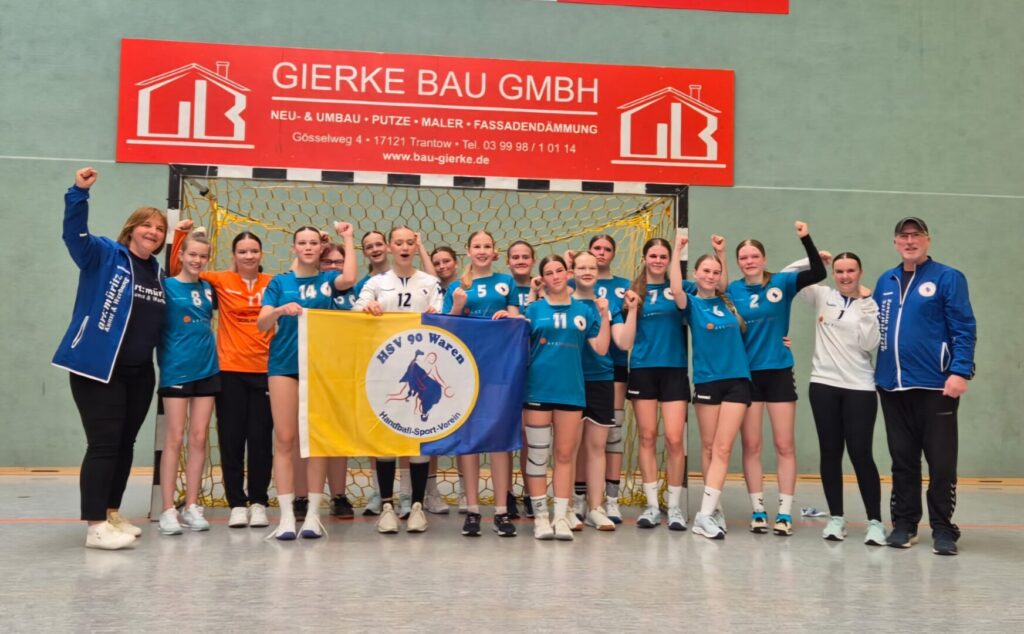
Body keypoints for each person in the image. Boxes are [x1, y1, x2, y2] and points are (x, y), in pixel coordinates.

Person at [53, 167, 167, 550]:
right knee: (103, 444)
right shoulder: (103, 254)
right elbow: (74, 234)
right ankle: (95, 526)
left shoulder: (157, 273)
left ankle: (111, 512)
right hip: (98, 368)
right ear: (131, 228)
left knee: (125, 443)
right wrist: (79, 192)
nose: (153, 232)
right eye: (147, 225)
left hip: (139, 373)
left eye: (160, 229)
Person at [874, 217, 976, 555]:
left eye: (916, 235)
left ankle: (943, 529)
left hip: (936, 386)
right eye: (903, 236)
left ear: (927, 240)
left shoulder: (948, 277)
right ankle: (904, 524)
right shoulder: (885, 281)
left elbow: (964, 327)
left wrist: (960, 371)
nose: (909, 241)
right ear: (895, 242)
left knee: (941, 463)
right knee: (902, 461)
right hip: (892, 387)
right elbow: (873, 326)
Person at [169, 221, 274, 529]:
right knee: (231, 439)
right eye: (242, 251)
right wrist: (180, 234)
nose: (249, 256)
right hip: (228, 371)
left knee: (260, 440)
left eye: (253, 251)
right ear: (233, 255)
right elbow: (181, 267)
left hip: (266, 371)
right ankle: (237, 504)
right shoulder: (218, 280)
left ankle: (258, 502)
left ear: (261, 254)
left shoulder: (274, 282)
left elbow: (301, 275)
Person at [258, 223, 358, 540]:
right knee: (285, 439)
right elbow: (261, 323)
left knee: (316, 440)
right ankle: (287, 516)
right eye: (302, 243)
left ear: (320, 247)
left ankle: (314, 515)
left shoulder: (328, 281)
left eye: (313, 242)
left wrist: (347, 237)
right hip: (284, 365)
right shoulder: (280, 282)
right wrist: (280, 311)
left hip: (319, 368)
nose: (308, 247)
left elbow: (350, 277)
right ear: (294, 248)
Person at [729, 221, 825, 536]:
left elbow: (818, 272)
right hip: (747, 375)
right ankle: (758, 510)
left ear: (764, 259)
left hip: (779, 372)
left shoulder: (782, 283)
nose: (749, 261)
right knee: (752, 445)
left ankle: (784, 513)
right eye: (744, 257)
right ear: (738, 262)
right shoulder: (732, 290)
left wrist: (805, 238)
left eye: (754, 256)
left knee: (784, 444)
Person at [788, 251, 886, 545]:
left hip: (860, 387)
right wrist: (811, 260)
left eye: (850, 271)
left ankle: (875, 523)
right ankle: (836, 519)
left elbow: (870, 344)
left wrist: (866, 306)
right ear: (833, 273)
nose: (845, 276)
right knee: (830, 452)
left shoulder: (871, 303)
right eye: (840, 271)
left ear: (860, 272)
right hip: (823, 385)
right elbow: (786, 277)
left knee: (861, 453)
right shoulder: (822, 295)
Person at [354, 225, 445, 534]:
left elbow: (444, 313)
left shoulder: (430, 283)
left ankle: (417, 506)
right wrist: (366, 308)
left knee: (417, 438)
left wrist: (437, 313)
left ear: (415, 246)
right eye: (399, 243)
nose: (405, 247)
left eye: (410, 243)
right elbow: (356, 308)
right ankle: (387, 507)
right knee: (385, 439)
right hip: (385, 370)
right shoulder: (376, 282)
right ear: (390, 247)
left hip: (418, 372)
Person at [523, 255, 610, 541]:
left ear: (567, 273)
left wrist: (605, 315)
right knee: (537, 456)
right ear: (543, 279)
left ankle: (560, 516)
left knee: (564, 455)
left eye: (559, 270)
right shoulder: (533, 309)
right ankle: (540, 518)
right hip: (537, 391)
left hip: (571, 393)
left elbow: (600, 348)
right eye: (549, 272)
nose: (556, 276)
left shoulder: (584, 310)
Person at [673, 245, 753, 540]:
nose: (711, 275)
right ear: (695, 274)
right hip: (707, 381)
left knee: (723, 448)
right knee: (709, 447)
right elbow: (675, 289)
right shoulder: (692, 303)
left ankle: (704, 515)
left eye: (716, 272)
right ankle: (713, 507)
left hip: (738, 380)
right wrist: (676, 251)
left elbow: (725, 282)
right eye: (705, 271)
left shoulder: (728, 301)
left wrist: (722, 254)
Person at [443, 230, 520, 537]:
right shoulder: (457, 286)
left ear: (495, 251)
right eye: (477, 246)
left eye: (487, 246)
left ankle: (501, 511)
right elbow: (446, 328)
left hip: (500, 368)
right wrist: (457, 306)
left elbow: (517, 319)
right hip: (466, 369)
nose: (482, 250)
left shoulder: (507, 282)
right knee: (470, 438)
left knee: (499, 439)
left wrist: (509, 316)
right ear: (468, 250)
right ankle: (473, 510)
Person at [156, 225, 219, 535]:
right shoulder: (166, 286)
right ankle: (168, 509)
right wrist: (178, 232)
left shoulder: (209, 289)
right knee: (174, 438)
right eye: (192, 254)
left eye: (202, 256)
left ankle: (192, 505)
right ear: (181, 255)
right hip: (176, 370)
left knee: (198, 438)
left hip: (208, 369)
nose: (197, 260)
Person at [625, 238, 691, 531]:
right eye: (653, 255)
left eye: (663, 256)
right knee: (648, 436)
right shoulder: (634, 292)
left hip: (674, 369)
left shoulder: (681, 288)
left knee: (675, 439)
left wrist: (680, 250)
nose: (658, 260)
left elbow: (719, 289)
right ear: (644, 258)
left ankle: (674, 505)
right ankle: (652, 505)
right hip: (643, 368)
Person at [570, 251, 638, 531]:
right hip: (570, 381)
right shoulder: (566, 303)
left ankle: (596, 508)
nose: (587, 272)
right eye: (581, 267)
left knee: (597, 447)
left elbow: (624, 343)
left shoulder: (606, 307)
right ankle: (572, 505)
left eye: (591, 268)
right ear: (572, 272)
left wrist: (632, 311)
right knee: (569, 447)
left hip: (601, 379)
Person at [319, 242, 356, 520]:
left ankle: (339, 495)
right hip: (314, 366)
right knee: (307, 434)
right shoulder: (313, 288)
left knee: (338, 435)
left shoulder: (357, 290)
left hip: (346, 369)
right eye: (327, 262)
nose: (333, 266)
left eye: (338, 261)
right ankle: (301, 496)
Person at [506, 240, 538, 518]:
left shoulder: (544, 286)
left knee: (530, 433)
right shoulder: (502, 289)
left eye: (525, 256)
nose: (520, 260)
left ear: (533, 260)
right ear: (507, 261)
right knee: (505, 431)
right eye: (515, 256)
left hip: (535, 368)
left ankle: (531, 493)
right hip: (505, 368)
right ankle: (506, 493)